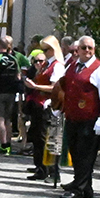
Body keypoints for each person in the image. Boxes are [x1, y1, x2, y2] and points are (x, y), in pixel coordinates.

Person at [59, 35, 100, 198]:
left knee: (85, 155)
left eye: (90, 48)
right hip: (72, 117)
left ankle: (79, 188)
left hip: (89, 119)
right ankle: (84, 185)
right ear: (78, 50)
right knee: (75, 152)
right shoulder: (73, 66)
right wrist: (59, 107)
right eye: (84, 48)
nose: (87, 51)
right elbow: (65, 88)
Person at [23, 42, 63, 186]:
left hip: (48, 106)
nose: (44, 53)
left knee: (49, 139)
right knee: (38, 138)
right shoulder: (46, 65)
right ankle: (41, 168)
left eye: (46, 50)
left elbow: (54, 87)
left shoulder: (57, 66)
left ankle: (53, 172)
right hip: (38, 105)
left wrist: (36, 86)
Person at [0, 34, 25, 154]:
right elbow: (18, 76)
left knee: (0, 119)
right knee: (8, 120)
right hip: (11, 93)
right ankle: (9, 145)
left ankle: (3, 145)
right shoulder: (14, 59)